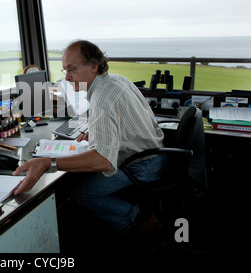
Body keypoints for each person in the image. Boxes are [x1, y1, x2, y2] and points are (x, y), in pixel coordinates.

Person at [13, 39, 165, 237]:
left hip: (143, 165)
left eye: (72, 69)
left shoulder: (103, 98)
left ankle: (142, 220)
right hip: (152, 153)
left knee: (80, 194)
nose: (67, 77)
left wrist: (47, 163)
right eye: (64, 71)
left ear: (93, 66)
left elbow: (102, 160)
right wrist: (100, 130)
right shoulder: (115, 80)